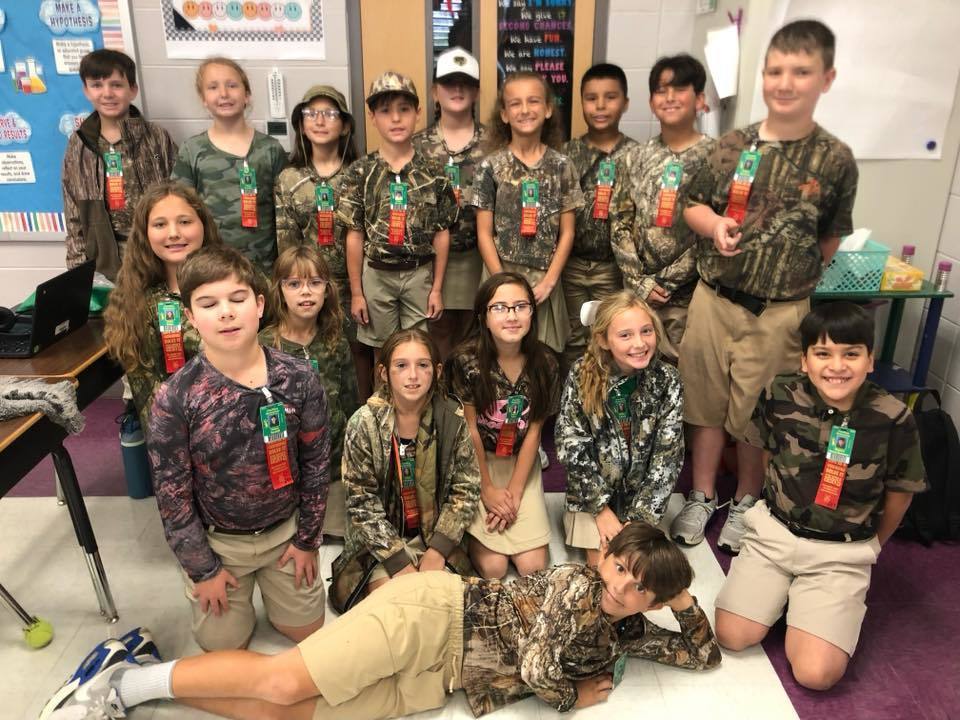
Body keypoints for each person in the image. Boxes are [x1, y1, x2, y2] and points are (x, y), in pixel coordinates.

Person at [43, 523, 720, 720]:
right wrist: (580, 695)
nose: (621, 585)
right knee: (282, 683)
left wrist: (682, 599)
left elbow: (703, 658)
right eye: (621, 567)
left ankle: (135, 691)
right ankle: (126, 680)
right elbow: (544, 669)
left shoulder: (634, 620)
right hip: (432, 615)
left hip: (445, 679)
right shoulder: (578, 583)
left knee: (290, 716)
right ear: (606, 557)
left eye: (640, 589)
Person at [671, 20, 859, 552]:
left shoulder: (835, 159)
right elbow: (691, 205)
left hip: (779, 312)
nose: (785, 82)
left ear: (826, 78)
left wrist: (787, 281)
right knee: (704, 403)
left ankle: (748, 501)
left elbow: (830, 238)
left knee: (756, 413)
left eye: (801, 72)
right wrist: (714, 226)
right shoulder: (732, 145)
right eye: (775, 70)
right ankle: (703, 493)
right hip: (714, 299)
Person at [714, 302, 926, 690]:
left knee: (816, 675)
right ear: (805, 360)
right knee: (732, 635)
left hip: (840, 552)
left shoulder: (893, 418)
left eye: (851, 354)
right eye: (823, 353)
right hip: (774, 536)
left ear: (870, 360)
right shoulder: (779, 394)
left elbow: (901, 491)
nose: (837, 366)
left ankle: (818, 601)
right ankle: (788, 595)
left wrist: (874, 544)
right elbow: (766, 454)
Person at [147, 246, 330, 651]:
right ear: (191, 318)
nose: (226, 313)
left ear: (260, 304)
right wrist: (203, 569)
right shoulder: (175, 397)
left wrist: (306, 540)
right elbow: (172, 497)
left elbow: (317, 465)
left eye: (238, 298)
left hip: (285, 535)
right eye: (209, 304)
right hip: (219, 546)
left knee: (308, 635)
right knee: (225, 650)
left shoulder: (298, 378)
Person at [329, 328, 480, 613]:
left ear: (436, 371)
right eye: (402, 366)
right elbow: (362, 504)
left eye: (422, 365)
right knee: (395, 607)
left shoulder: (451, 418)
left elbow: (466, 489)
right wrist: (398, 562)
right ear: (385, 373)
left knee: (439, 607)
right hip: (380, 544)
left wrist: (438, 550)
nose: (413, 376)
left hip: (433, 534)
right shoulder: (364, 423)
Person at [557, 291, 684, 566]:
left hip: (640, 500)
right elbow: (571, 448)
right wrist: (601, 510)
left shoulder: (667, 380)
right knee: (604, 566)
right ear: (603, 339)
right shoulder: (581, 374)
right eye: (625, 335)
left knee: (635, 565)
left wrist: (639, 521)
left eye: (646, 331)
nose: (639, 343)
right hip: (590, 497)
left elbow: (668, 458)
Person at [338, 72, 459, 360]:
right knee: (384, 353)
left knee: (418, 350)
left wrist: (437, 288)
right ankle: (384, 405)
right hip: (377, 275)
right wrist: (357, 292)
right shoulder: (360, 172)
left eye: (404, 110)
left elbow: (442, 232)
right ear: (372, 116)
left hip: (419, 274)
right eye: (385, 111)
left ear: (417, 113)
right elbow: (354, 234)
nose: (395, 119)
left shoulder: (434, 171)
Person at [447, 272, 560, 578]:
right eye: (500, 308)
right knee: (493, 568)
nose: (511, 316)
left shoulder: (546, 362)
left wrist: (514, 493)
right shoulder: (465, 361)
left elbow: (535, 430)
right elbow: (469, 430)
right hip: (477, 462)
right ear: (483, 316)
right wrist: (486, 489)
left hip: (520, 463)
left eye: (520, 306)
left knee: (533, 567)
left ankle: (516, 510)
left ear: (532, 313)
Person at [471, 71, 584, 357]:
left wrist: (549, 281)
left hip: (544, 280)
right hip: (499, 272)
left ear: (547, 109)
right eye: (515, 103)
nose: (524, 110)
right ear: (504, 115)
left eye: (533, 101)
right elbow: (483, 232)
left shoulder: (562, 165)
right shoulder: (490, 167)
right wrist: (502, 286)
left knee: (544, 356)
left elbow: (567, 231)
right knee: (500, 353)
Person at [612, 54, 715, 362]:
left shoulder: (718, 158)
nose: (669, 97)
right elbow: (619, 224)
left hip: (687, 298)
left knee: (679, 381)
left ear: (699, 98)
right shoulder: (635, 157)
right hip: (636, 295)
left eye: (679, 88)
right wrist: (641, 282)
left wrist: (666, 283)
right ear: (651, 100)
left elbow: (714, 234)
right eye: (660, 90)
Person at [274, 84, 374, 399]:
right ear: (301, 124)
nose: (320, 120)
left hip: (355, 286)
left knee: (358, 354)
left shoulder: (362, 174)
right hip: (308, 284)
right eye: (311, 113)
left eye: (330, 114)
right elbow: (286, 241)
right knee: (312, 354)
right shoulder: (289, 179)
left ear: (345, 125)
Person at [103, 181, 222, 433]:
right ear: (145, 233)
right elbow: (150, 398)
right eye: (160, 224)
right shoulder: (137, 302)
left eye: (185, 222)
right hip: (178, 435)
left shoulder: (236, 282)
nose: (173, 233)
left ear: (203, 225)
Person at [259, 245, 360, 538]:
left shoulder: (335, 342)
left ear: (327, 290)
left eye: (315, 283)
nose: (306, 292)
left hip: (333, 466)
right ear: (279, 291)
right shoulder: (264, 347)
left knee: (338, 537)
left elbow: (351, 403)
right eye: (294, 284)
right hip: (285, 470)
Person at [63, 49, 177, 281]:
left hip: (155, 255)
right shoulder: (80, 144)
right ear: (86, 90)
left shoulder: (156, 137)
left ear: (132, 90)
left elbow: (180, 196)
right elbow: (74, 211)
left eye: (116, 85)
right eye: (97, 85)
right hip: (105, 262)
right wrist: (78, 271)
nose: (107, 93)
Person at [172, 57, 288, 275]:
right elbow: (181, 211)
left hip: (266, 268)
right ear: (203, 98)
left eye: (232, 85)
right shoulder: (192, 150)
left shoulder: (270, 149)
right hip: (213, 268)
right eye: (213, 87)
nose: (224, 93)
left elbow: (285, 214)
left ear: (247, 95)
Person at [559, 63, 637, 368]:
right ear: (581, 103)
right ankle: (572, 405)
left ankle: (603, 407)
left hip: (614, 269)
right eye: (591, 98)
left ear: (626, 102)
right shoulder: (566, 154)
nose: (600, 106)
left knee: (610, 339)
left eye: (610, 97)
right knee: (572, 339)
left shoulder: (635, 155)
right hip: (571, 266)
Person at [413, 47, 487, 359]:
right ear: (434, 92)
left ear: (477, 91)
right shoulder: (417, 146)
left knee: (476, 344)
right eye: (448, 83)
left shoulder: (496, 144)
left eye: (465, 83)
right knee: (436, 344)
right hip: (430, 265)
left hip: (480, 260)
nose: (457, 90)